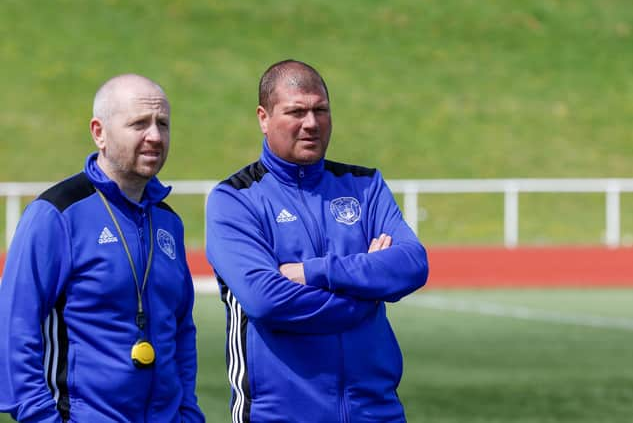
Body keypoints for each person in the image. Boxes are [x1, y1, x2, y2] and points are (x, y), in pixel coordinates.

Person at [206, 60, 429, 422]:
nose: (311, 123)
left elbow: (413, 265)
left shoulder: (365, 185)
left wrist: (313, 272)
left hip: (377, 412)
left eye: (320, 110)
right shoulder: (234, 199)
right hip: (279, 415)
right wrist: (367, 291)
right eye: (296, 112)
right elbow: (266, 301)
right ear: (263, 118)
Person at [0, 74, 205, 422]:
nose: (155, 136)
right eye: (139, 124)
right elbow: (13, 329)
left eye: (163, 124)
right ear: (100, 132)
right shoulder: (57, 215)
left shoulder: (168, 221)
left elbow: (181, 329)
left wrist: (187, 413)